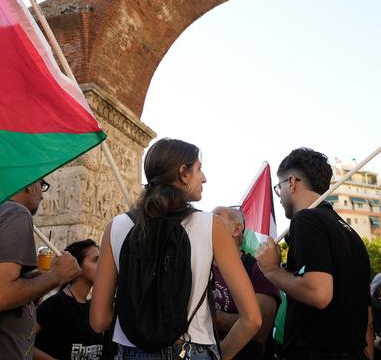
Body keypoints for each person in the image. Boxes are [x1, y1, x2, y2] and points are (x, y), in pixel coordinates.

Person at [90, 138, 261, 360]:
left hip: (130, 352)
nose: (204, 178)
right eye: (199, 169)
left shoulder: (116, 227)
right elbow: (253, 319)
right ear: (183, 173)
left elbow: (99, 320)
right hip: (192, 350)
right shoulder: (212, 226)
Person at [255, 148, 372, 359]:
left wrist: (272, 270)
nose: (279, 196)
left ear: (291, 183)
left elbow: (319, 293)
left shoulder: (306, 220)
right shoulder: (350, 233)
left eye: (279, 187)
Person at [0, 177, 82, 359]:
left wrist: (36, 280)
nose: (43, 196)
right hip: (0, 350)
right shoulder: (16, 214)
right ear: (29, 184)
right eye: (41, 185)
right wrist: (57, 276)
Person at [211, 206, 280, 359]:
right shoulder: (198, 266)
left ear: (236, 230)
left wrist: (208, 316)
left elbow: (260, 329)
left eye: (216, 217)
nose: (209, 222)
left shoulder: (257, 269)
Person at [35, 239, 105, 360]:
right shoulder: (54, 305)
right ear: (76, 265)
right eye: (95, 260)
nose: (102, 266)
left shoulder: (94, 308)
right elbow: (23, 341)